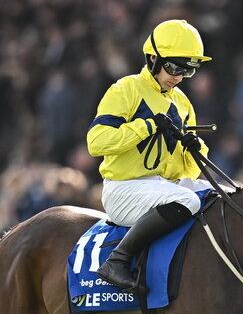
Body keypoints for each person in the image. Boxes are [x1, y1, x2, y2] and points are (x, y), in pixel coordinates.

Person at [88, 19, 214, 292]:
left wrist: (195, 148)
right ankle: (117, 260)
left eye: (188, 71)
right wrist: (146, 126)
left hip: (162, 187)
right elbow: (96, 142)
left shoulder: (182, 103)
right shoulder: (126, 89)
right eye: (173, 67)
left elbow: (187, 173)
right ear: (152, 58)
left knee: (218, 194)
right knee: (188, 200)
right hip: (124, 189)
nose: (178, 77)